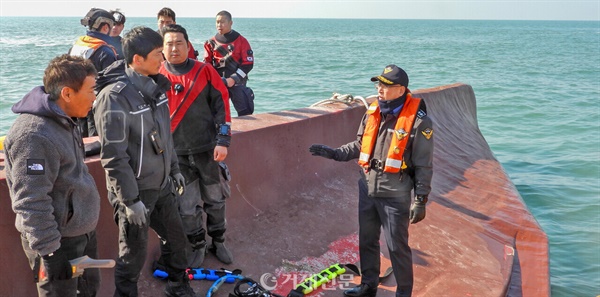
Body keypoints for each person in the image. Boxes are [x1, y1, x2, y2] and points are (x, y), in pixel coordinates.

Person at [309, 65, 434, 297]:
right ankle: (368, 285)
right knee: (367, 239)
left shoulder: (419, 123)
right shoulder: (372, 112)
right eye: (378, 85)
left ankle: (403, 293)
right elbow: (360, 145)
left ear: (401, 90)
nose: (379, 90)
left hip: (395, 195)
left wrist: (421, 199)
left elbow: (424, 164)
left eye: (385, 86)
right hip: (367, 188)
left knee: (397, 247)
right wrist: (335, 153)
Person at [93, 26, 196, 297]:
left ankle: (178, 286)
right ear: (137, 60)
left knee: (176, 241)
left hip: (162, 187)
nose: (163, 59)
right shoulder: (114, 97)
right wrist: (129, 201)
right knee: (132, 258)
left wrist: (174, 170)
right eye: (157, 54)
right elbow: (114, 157)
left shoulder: (156, 88)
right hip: (135, 193)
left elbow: (165, 135)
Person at [4, 54, 101, 296]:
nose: (95, 97)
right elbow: (30, 201)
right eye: (91, 90)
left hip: (80, 235)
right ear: (67, 93)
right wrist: (51, 252)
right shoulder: (34, 136)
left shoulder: (65, 120)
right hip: (58, 244)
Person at [159, 24, 233, 266]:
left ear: (188, 45)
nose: (174, 48)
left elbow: (222, 105)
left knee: (215, 200)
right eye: (168, 43)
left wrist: (223, 140)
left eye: (179, 42)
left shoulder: (206, 71)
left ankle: (219, 241)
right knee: (187, 207)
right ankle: (198, 245)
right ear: (162, 48)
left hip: (208, 151)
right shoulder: (156, 77)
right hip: (176, 157)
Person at [69, 7, 118, 137]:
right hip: (95, 105)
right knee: (95, 142)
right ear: (105, 28)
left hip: (74, 103)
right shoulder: (105, 52)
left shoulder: (75, 47)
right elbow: (111, 87)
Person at [204, 10, 255, 116]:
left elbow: (248, 64)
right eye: (217, 22)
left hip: (237, 82)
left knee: (245, 112)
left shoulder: (241, 41)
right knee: (216, 114)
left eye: (222, 22)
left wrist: (233, 79)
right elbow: (207, 65)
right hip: (219, 83)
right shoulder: (210, 43)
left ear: (231, 23)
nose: (219, 25)